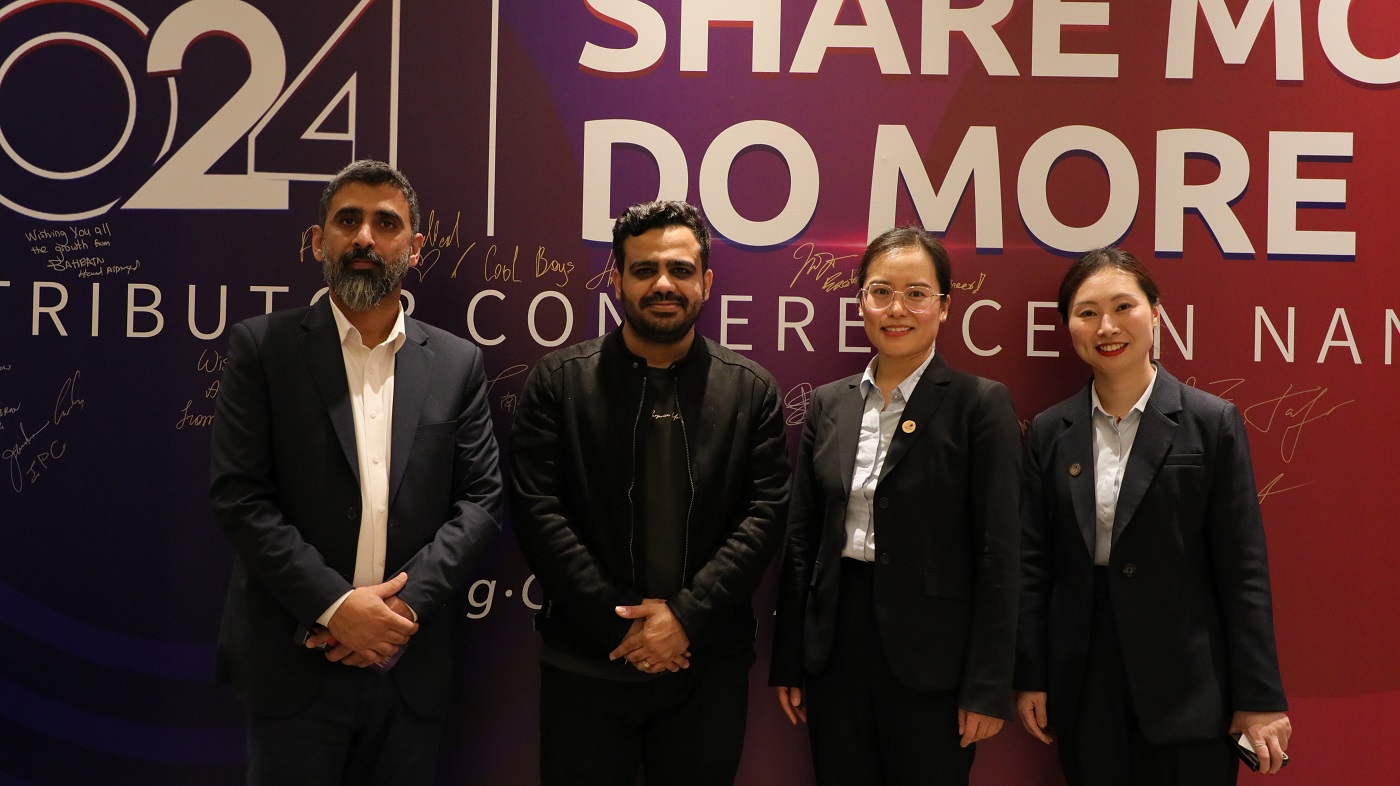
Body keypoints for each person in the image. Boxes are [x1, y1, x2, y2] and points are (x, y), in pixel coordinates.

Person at [209, 159, 503, 784]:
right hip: (294, 663)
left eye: (386, 223)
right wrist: (335, 606)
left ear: (414, 248)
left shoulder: (457, 364)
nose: (365, 237)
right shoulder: (262, 349)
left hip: (410, 668)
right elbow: (241, 497)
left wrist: (399, 614)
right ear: (319, 241)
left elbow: (480, 502)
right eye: (348, 221)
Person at [509, 199, 791, 785]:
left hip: (705, 669)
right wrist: (624, 627)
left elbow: (762, 518)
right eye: (644, 270)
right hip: (586, 665)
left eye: (680, 270)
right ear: (616, 280)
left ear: (706, 282)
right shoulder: (558, 383)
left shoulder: (752, 391)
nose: (663, 284)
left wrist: (684, 620)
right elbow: (539, 513)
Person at [1014, 247, 1291, 785]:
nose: (1107, 327)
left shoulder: (1211, 422)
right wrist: (1031, 673)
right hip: (1085, 681)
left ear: (1156, 313)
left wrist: (1259, 698)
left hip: (1190, 685)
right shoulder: (1050, 430)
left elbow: (1243, 570)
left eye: (1124, 306)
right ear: (1069, 325)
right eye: (1088, 312)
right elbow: (1033, 564)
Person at [769, 226, 1023, 785]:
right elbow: (802, 539)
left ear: (944, 306)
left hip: (935, 659)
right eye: (881, 292)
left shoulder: (980, 406)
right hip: (835, 649)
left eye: (916, 294)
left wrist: (987, 686)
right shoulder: (829, 404)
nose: (897, 309)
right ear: (861, 301)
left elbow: (1000, 552)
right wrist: (789, 659)